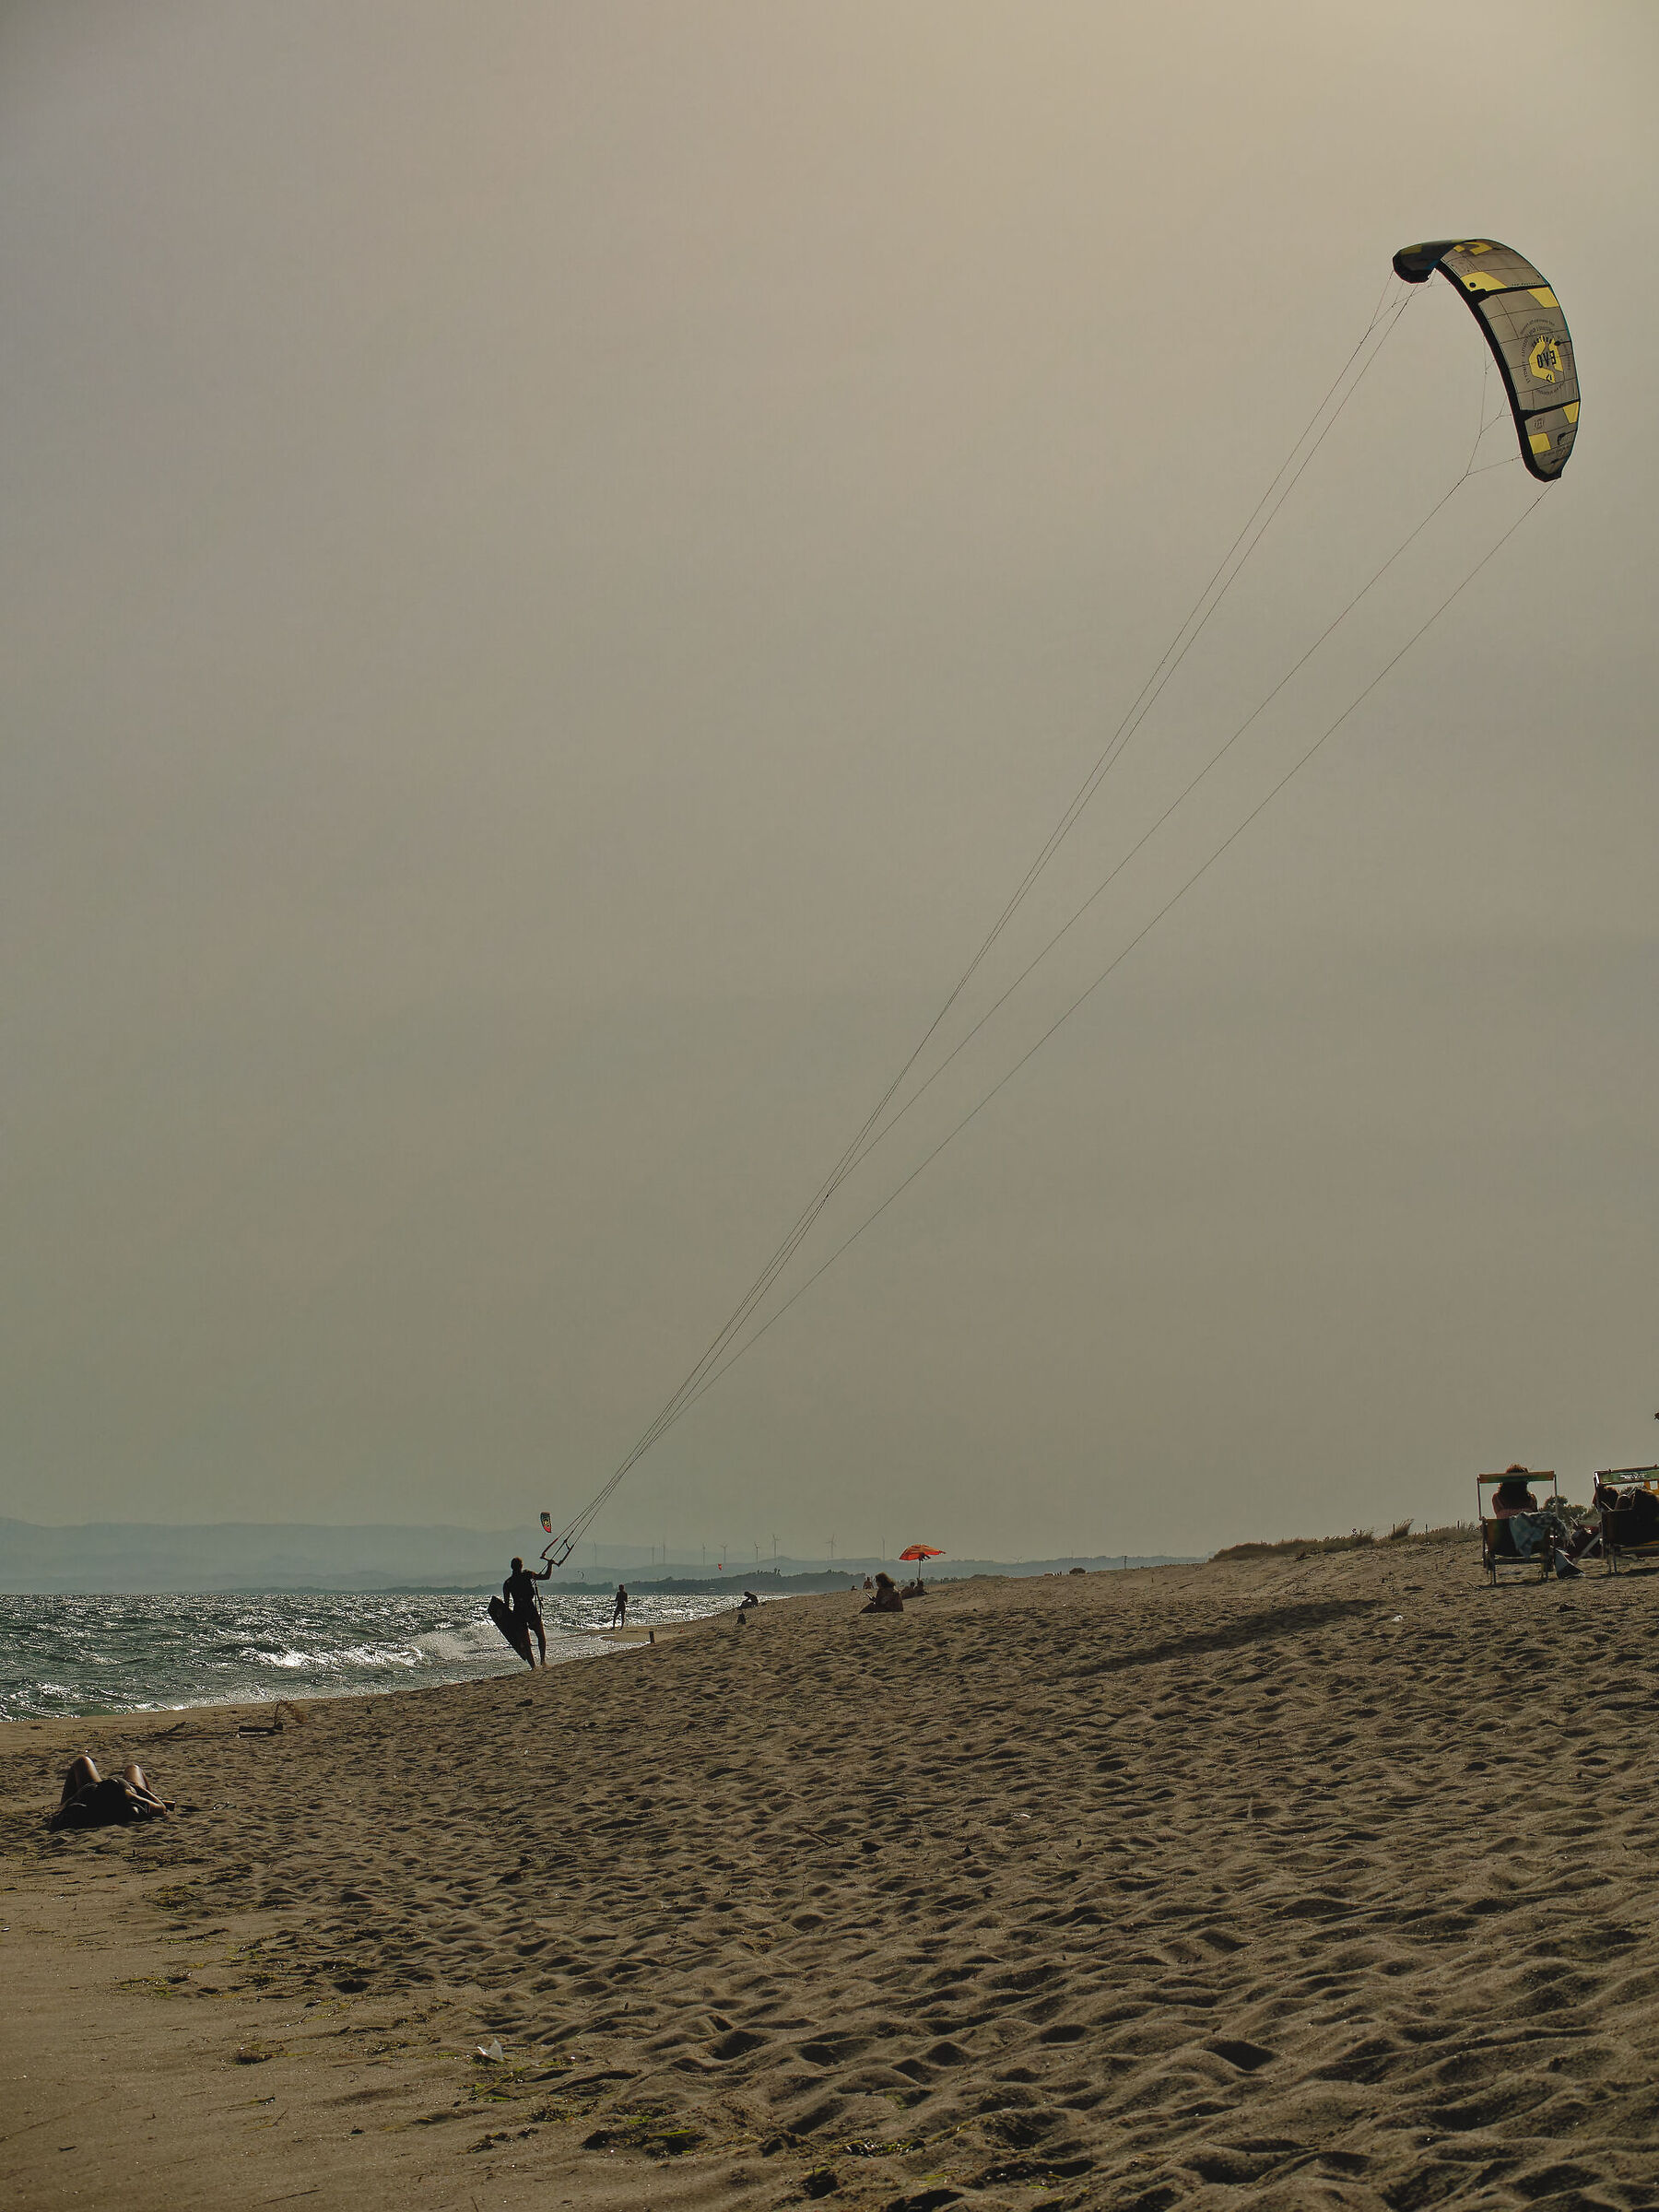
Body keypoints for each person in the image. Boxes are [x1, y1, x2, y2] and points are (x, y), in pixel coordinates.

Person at [50, 1753, 169, 1831]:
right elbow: (162, 1808)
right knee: (133, 1768)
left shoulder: (84, 1807)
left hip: (94, 1790)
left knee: (83, 1760)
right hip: (127, 1789)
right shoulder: (133, 1809)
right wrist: (138, 1791)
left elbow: (62, 1811)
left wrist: (62, 1807)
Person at [503, 1554, 552, 1668]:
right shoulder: (527, 1575)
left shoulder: (508, 1583)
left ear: (512, 1567)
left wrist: (509, 1622)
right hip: (530, 1609)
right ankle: (543, 1661)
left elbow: (506, 1605)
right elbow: (546, 1577)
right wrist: (550, 1565)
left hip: (518, 1612)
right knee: (541, 1636)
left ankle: (533, 1667)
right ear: (521, 1566)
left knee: (526, 1643)